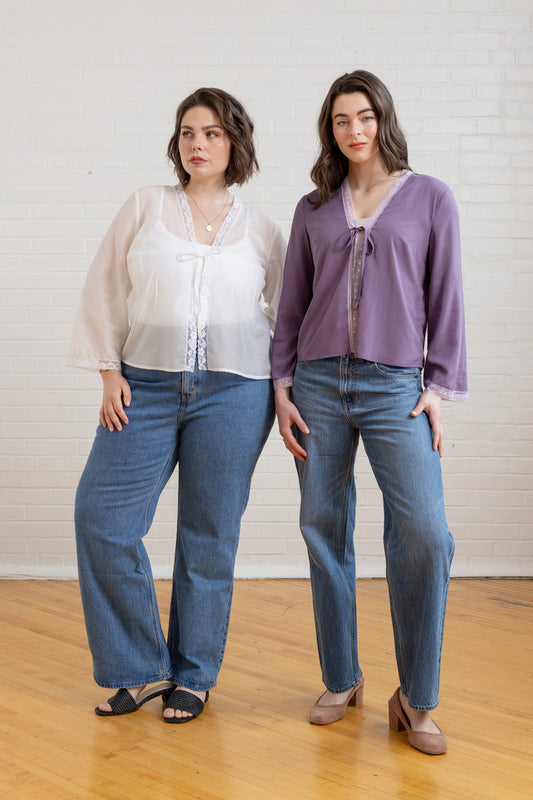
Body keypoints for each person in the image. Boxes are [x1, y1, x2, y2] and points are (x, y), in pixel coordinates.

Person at [69, 87, 285, 723]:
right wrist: (109, 371)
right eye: (188, 133)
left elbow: (288, 316)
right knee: (102, 516)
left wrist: (285, 389)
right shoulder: (145, 206)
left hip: (237, 391)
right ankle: (142, 668)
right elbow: (106, 287)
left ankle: (195, 675)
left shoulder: (264, 229)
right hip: (146, 385)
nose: (198, 144)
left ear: (234, 143)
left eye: (212, 133)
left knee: (209, 534)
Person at [272, 70, 467, 755]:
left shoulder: (429, 198)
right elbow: (291, 305)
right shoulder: (313, 208)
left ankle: (413, 698)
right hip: (317, 385)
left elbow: (445, 299)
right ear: (329, 131)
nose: (353, 132)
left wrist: (437, 387)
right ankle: (341, 676)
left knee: (424, 536)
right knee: (323, 528)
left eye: (363, 117)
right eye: (339, 121)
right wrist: (281, 386)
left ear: (383, 119)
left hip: (394, 387)